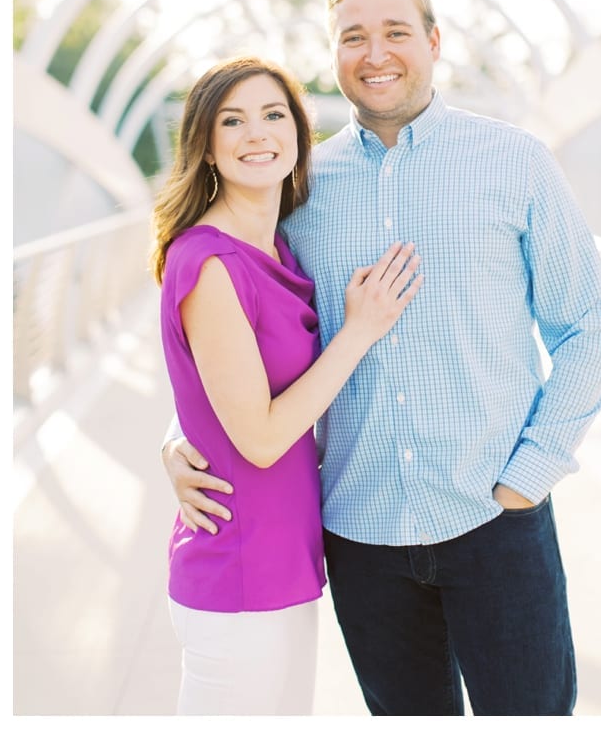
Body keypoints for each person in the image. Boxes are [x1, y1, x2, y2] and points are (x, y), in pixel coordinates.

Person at [162, 0, 601, 715]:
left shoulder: (514, 162)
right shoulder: (298, 190)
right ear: (333, 55)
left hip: (494, 518)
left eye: (396, 31)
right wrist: (179, 434)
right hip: (360, 533)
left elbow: (589, 322)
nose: (376, 53)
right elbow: (237, 328)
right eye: (354, 37)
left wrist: (530, 472)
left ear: (434, 41)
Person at [151, 54, 422, 715]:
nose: (257, 133)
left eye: (275, 115)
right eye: (233, 120)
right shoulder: (209, 260)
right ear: (207, 147)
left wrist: (173, 439)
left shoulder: (279, 249)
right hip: (238, 573)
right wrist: (359, 330)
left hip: (283, 564)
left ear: (300, 134)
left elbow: (212, 389)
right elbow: (263, 436)